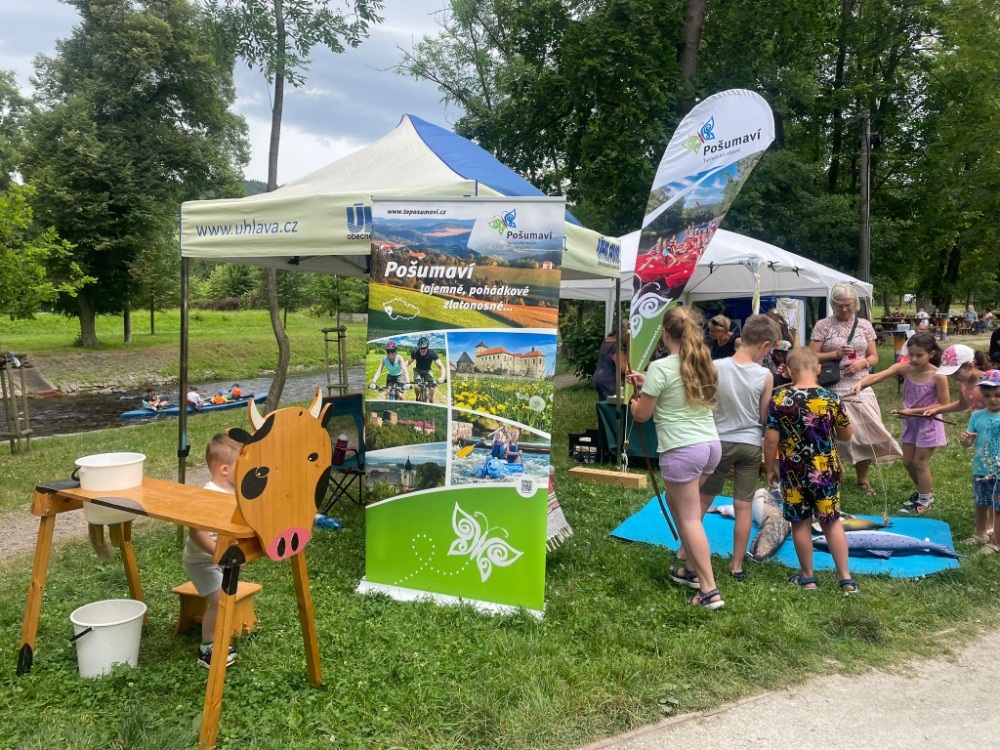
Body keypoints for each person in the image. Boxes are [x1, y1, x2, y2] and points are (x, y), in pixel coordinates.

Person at [628, 306, 724, 610]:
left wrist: (635, 403)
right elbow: (678, 385)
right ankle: (692, 570)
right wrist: (647, 382)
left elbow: (642, 415)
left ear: (665, 333)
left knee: (689, 517)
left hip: (682, 449)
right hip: (710, 445)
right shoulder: (702, 362)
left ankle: (709, 590)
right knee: (678, 505)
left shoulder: (661, 367)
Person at [763, 347, 858, 594]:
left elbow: (771, 440)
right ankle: (845, 578)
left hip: (793, 473)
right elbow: (846, 435)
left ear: (789, 371)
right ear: (818, 368)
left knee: (800, 523)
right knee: (831, 522)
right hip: (826, 471)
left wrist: (769, 468)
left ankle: (808, 577)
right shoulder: (831, 398)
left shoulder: (780, 399)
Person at [699, 314, 780, 581]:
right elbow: (763, 417)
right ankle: (736, 566)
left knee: (703, 499)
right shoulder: (765, 375)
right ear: (764, 345)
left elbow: (706, 402)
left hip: (718, 442)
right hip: (749, 445)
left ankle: (686, 550)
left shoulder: (716, 366)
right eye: (768, 350)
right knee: (744, 507)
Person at [810, 282, 901, 494]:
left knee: (867, 432)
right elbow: (810, 355)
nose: (844, 309)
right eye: (839, 305)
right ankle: (833, 476)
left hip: (861, 384)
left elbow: (874, 356)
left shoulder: (865, 325)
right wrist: (834, 354)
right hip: (832, 385)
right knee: (831, 434)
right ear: (833, 304)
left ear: (855, 303)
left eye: (848, 305)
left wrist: (863, 362)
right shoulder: (823, 325)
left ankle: (863, 479)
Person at [850, 332, 948, 514]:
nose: (914, 359)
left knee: (920, 462)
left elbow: (944, 404)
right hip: (910, 423)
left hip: (929, 423)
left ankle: (925, 501)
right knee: (908, 461)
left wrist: (913, 412)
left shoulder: (938, 376)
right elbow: (877, 376)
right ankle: (923, 493)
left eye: (919, 355)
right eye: (911, 355)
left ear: (931, 354)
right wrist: (861, 384)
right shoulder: (905, 368)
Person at [922, 345, 993, 541]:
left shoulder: (991, 382)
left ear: (970, 365)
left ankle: (990, 526)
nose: (953, 377)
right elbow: (963, 404)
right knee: (986, 479)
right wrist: (938, 410)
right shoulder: (963, 383)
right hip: (981, 439)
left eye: (955, 372)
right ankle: (986, 524)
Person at [182, 434, 241, 668]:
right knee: (221, 601)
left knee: (227, 598)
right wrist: (220, 554)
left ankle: (219, 635)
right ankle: (207, 647)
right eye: (243, 466)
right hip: (202, 562)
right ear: (225, 469)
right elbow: (196, 532)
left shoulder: (236, 493)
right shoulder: (208, 496)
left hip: (222, 559)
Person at [959, 370, 1000, 555]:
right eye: (987, 395)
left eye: (998, 395)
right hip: (981, 469)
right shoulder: (977, 416)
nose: (992, 399)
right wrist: (966, 440)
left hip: (998, 472)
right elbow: (967, 443)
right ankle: (981, 534)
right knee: (981, 504)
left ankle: (996, 542)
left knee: (998, 508)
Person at [593, 325, 629, 401]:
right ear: (623, 333)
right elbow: (622, 368)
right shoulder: (617, 346)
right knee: (612, 405)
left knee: (604, 405)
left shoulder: (606, 341)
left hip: (599, 378)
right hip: (610, 381)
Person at [407, 337, 447, 402]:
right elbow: (408, 363)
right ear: (419, 348)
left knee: (432, 388)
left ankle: (431, 402)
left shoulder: (432, 353)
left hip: (428, 371)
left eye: (425, 348)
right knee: (416, 386)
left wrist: (442, 377)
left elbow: (441, 366)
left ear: (427, 347)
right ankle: (417, 397)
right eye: (421, 348)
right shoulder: (415, 352)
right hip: (418, 370)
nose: (423, 350)